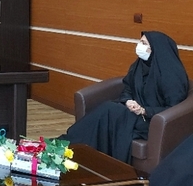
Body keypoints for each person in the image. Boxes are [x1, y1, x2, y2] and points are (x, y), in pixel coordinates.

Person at [62, 31, 189, 164]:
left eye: (144, 43)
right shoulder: (139, 65)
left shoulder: (172, 76)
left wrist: (144, 110)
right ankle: (74, 148)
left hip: (152, 121)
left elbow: (173, 109)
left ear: (156, 49)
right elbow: (128, 88)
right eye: (140, 41)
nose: (139, 45)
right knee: (109, 111)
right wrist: (128, 100)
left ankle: (69, 145)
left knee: (109, 110)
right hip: (133, 113)